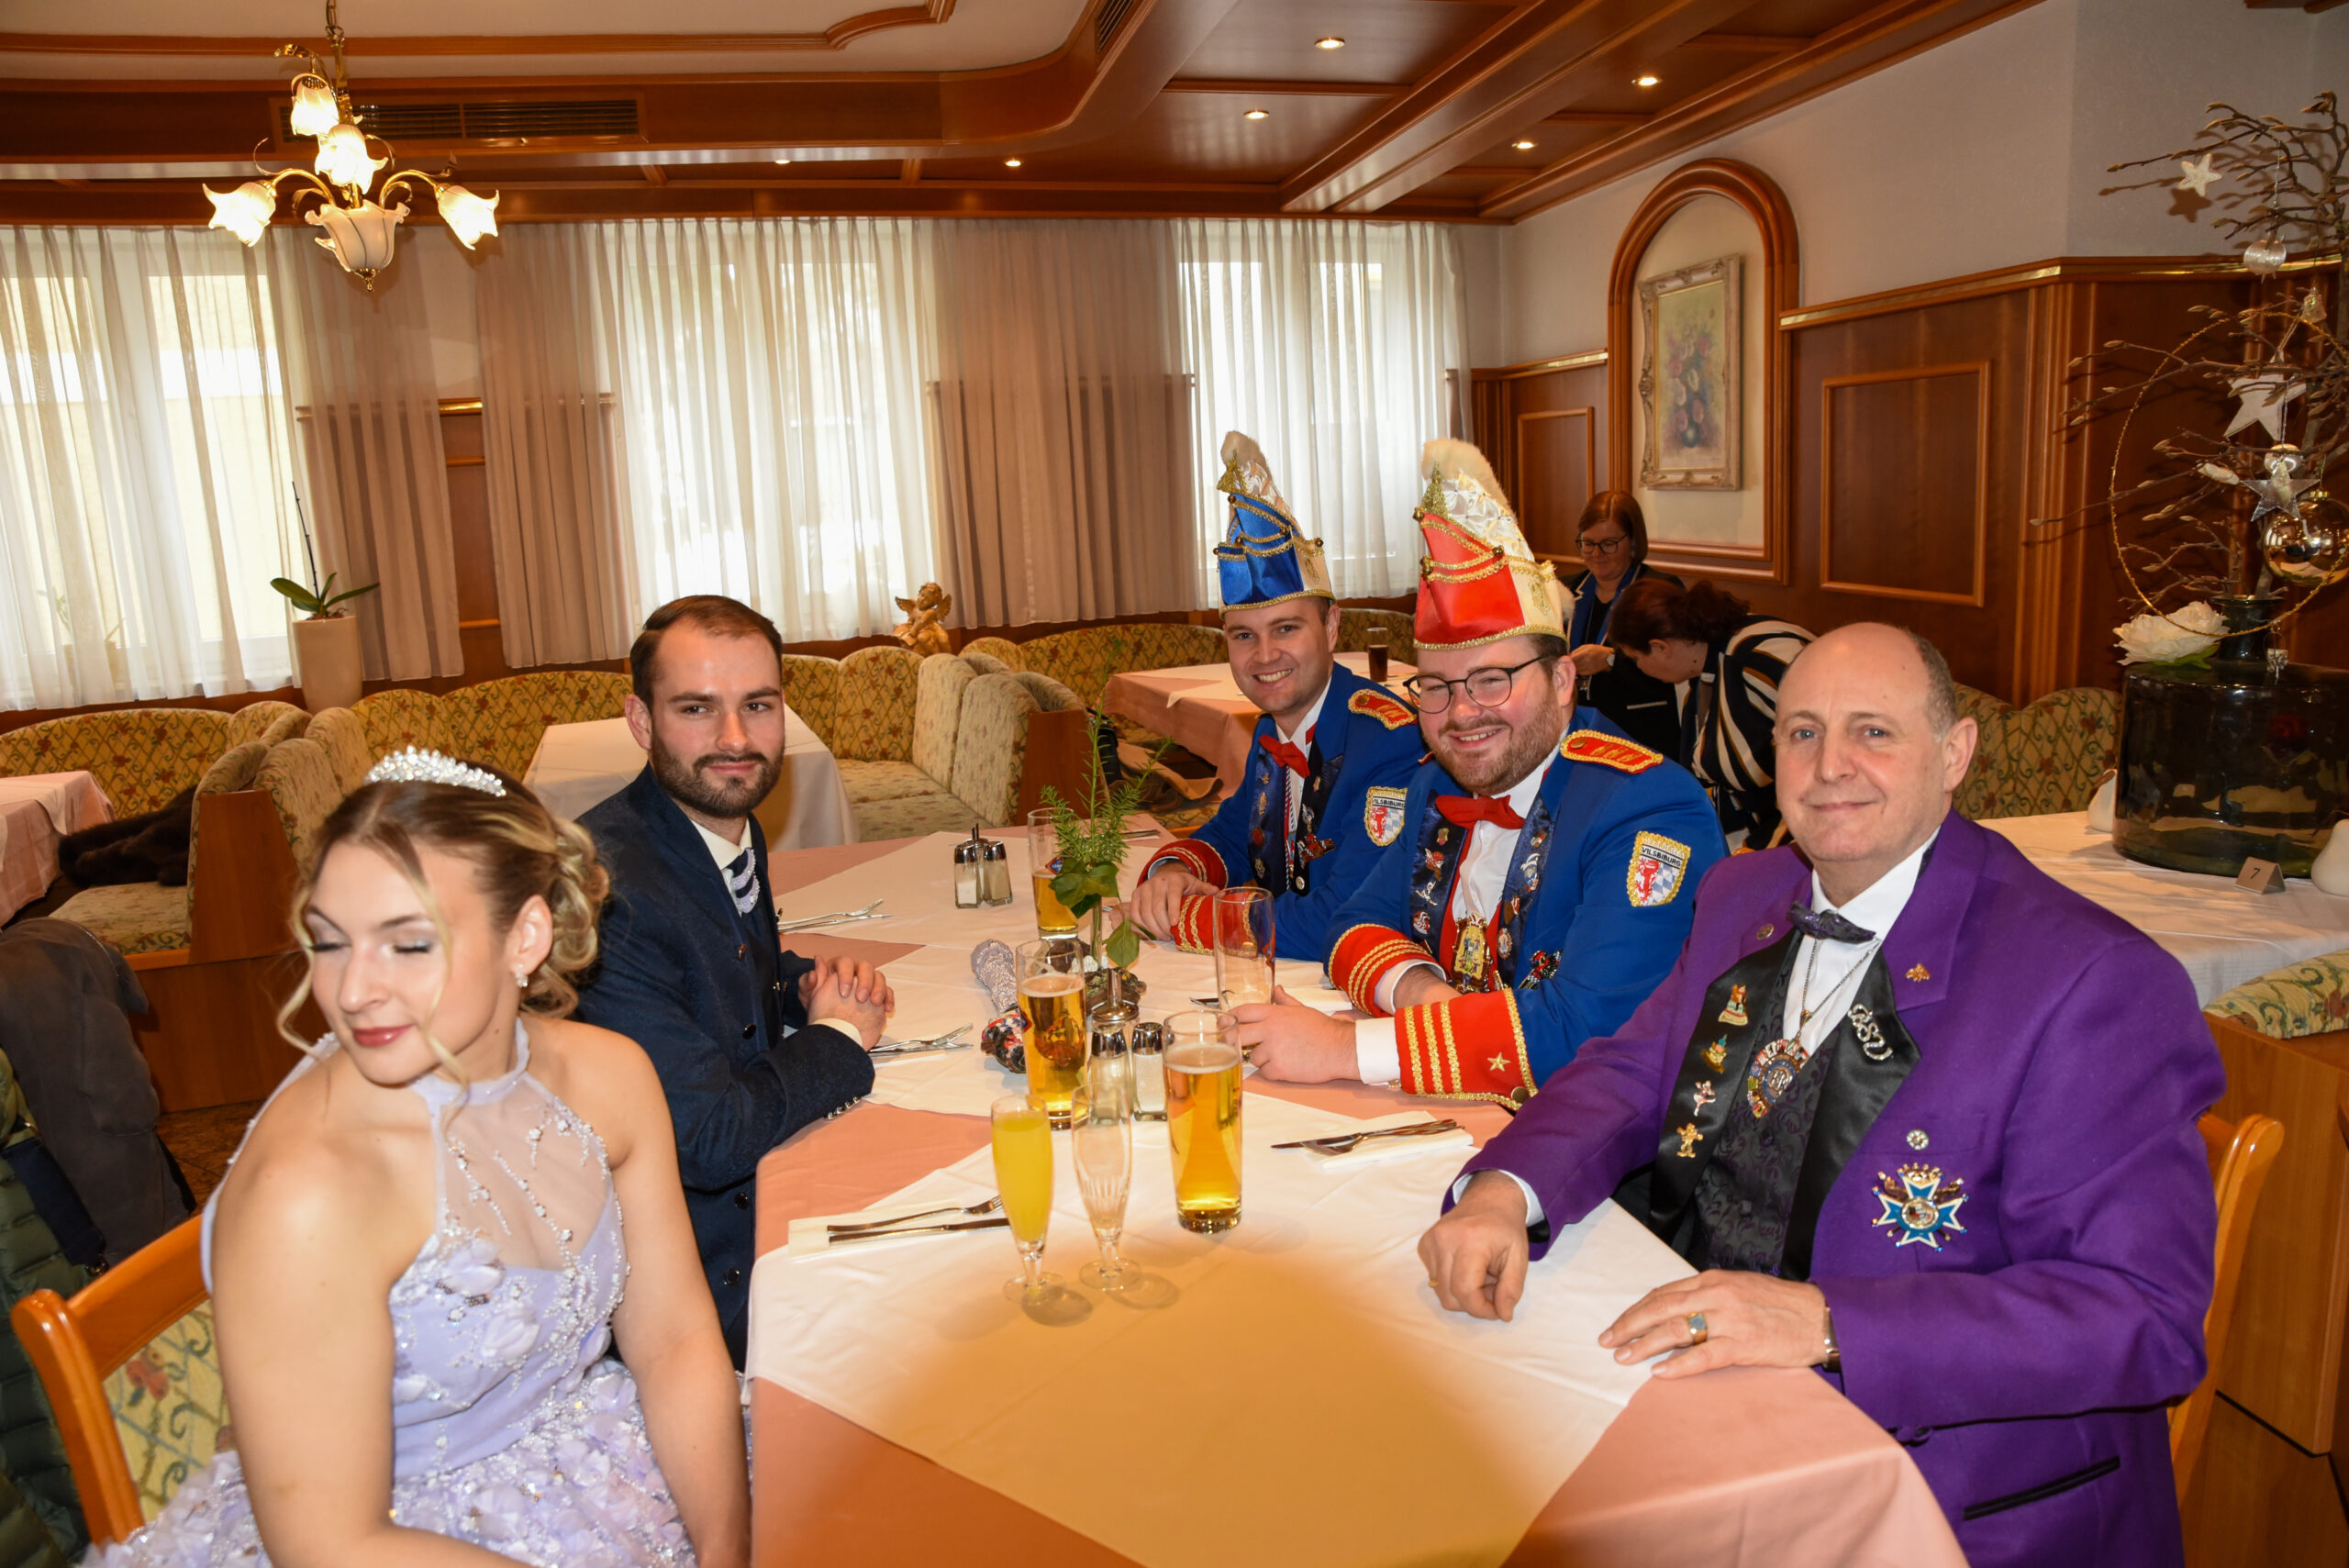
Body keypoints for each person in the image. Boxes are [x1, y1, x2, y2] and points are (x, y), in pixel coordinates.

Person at [1419, 624, 2221, 1567]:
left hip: (1942, 1490)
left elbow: (2144, 1313)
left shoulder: (2091, 980)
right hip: (1709, 1407)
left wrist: (1830, 1323)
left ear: (1954, 752)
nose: (1831, 765)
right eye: (1802, 732)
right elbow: (1632, 1070)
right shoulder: (1743, 890)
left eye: (1873, 731)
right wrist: (1504, 1189)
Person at [101, 751, 749, 1567]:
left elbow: (673, 1340)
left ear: (526, 935)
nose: (353, 991)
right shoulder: (307, 1191)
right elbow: (330, 1545)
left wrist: (725, 1547)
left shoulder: (610, 1076)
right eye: (329, 941)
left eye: (408, 944)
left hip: (589, 1462)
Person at [1230, 439, 1725, 1104]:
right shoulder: (1437, 784)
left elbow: (1584, 1034)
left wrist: (1347, 1048)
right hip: (1446, 1107)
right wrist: (1424, 995)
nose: (1462, 713)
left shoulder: (1648, 806)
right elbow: (1350, 925)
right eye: (1436, 686)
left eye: (1493, 679)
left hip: (1588, 1148)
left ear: (1562, 682)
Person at [574, 595, 891, 1367]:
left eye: (758, 704)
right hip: (698, 1290)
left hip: (757, 1200)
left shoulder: (711, 823)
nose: (735, 739)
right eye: (697, 708)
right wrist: (837, 1034)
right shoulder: (609, 891)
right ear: (641, 721)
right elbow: (712, 1138)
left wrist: (799, 986)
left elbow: (708, 969)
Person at [1125, 431, 1423, 962]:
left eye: (1286, 628)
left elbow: (1341, 915)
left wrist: (1187, 918)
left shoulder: (1385, 740)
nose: (1264, 655)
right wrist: (1175, 870)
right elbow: (1235, 835)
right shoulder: (1272, 728)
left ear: (1331, 627)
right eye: (1244, 635)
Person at [1609, 576, 1812, 849]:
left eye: (1636, 659)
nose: (1638, 668)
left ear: (1660, 647)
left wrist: (1759, 852)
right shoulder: (1704, 664)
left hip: (1796, 836)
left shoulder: (1753, 661)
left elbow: (1811, 776)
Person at [1560, 492, 1681, 756]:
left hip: (1638, 732)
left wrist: (1610, 660)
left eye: (1609, 544)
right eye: (1588, 543)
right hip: (1575, 730)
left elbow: (1676, 668)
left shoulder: (1660, 591)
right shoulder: (1564, 590)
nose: (1597, 554)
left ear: (1634, 541)